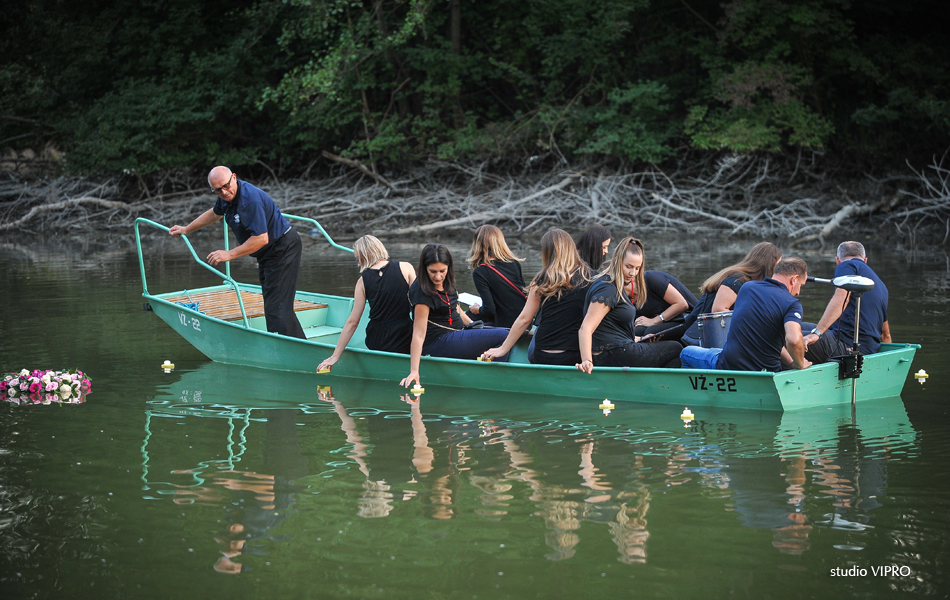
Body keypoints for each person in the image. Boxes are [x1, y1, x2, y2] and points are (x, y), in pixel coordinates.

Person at [169, 166, 306, 339]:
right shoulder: (225, 197)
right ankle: (291, 344)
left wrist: (229, 254)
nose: (224, 192)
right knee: (276, 304)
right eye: (218, 190)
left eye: (226, 186)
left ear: (234, 177)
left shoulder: (250, 200)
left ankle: (291, 350)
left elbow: (261, 238)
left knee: (277, 308)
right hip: (268, 254)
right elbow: (214, 214)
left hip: (282, 248)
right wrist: (186, 229)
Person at [399, 244, 510, 388]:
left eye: (442, 271)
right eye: (433, 271)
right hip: (437, 342)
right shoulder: (422, 292)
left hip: (456, 333)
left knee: (508, 332)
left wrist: (474, 325)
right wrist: (414, 371)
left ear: (448, 267)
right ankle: (489, 380)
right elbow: (418, 334)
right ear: (425, 268)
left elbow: (454, 308)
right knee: (504, 336)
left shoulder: (447, 281)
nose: (438, 276)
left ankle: (483, 368)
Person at [680, 257, 812, 372]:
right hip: (766, 370)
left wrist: (791, 362)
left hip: (729, 365)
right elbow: (794, 339)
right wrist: (799, 364)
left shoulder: (747, 288)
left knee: (685, 353)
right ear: (794, 279)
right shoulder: (792, 303)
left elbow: (791, 340)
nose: (798, 292)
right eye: (801, 285)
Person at [482, 229, 592, 365]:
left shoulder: (542, 280)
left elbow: (524, 319)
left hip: (543, 352)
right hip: (575, 355)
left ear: (547, 252)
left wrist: (502, 349)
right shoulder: (591, 278)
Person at [576, 238, 684, 373]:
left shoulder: (611, 283)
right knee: (675, 348)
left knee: (655, 340)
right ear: (616, 260)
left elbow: (610, 328)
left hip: (617, 349)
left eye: (637, 268)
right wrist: (587, 361)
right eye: (628, 266)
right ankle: (660, 390)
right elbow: (585, 328)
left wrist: (639, 339)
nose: (633, 273)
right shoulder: (608, 289)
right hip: (612, 354)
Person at [317, 236, 416, 371]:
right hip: (404, 336)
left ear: (366, 256)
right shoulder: (406, 268)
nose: (358, 264)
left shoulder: (362, 282)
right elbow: (419, 303)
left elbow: (353, 322)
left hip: (377, 339)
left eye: (357, 259)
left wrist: (335, 355)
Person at [803, 241, 891, 364]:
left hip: (848, 346)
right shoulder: (881, 286)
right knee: (793, 327)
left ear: (837, 260)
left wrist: (817, 333)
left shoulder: (847, 265)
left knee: (783, 338)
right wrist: (887, 364)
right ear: (865, 260)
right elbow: (886, 335)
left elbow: (842, 298)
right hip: (867, 347)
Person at [681, 242, 783, 346]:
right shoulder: (736, 281)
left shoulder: (750, 283)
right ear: (768, 264)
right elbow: (718, 311)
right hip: (702, 336)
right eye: (778, 265)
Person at [465, 224, 527, 328]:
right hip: (523, 319)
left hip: (503, 323)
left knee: (464, 316)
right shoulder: (514, 263)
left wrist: (477, 310)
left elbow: (490, 310)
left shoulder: (480, 272)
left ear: (477, 244)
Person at [633, 270, 698, 339]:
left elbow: (682, 304)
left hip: (689, 318)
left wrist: (654, 321)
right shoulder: (623, 299)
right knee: (637, 331)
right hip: (666, 321)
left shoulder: (651, 278)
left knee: (651, 333)